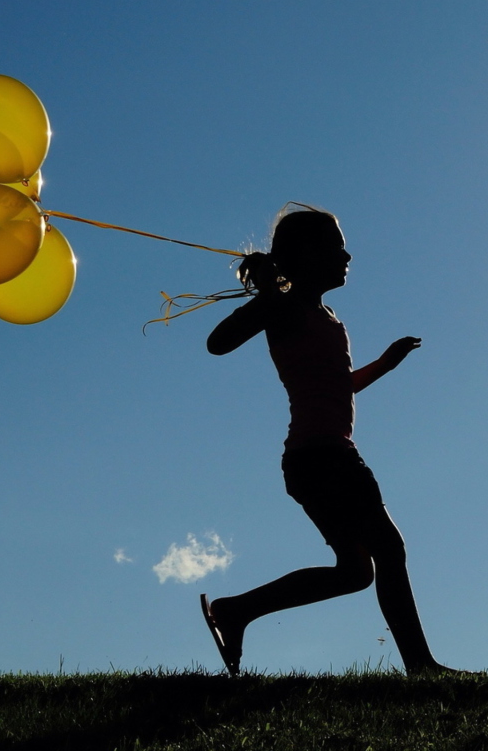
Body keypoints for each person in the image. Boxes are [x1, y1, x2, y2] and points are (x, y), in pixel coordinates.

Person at [199, 205, 453, 675]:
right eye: (336, 246)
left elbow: (340, 386)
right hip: (323, 458)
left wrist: (384, 364)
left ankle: (235, 611)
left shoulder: (326, 316)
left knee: (356, 572)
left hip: (314, 458)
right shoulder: (287, 307)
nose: (347, 254)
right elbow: (218, 342)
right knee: (389, 549)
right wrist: (270, 298)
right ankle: (421, 666)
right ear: (307, 255)